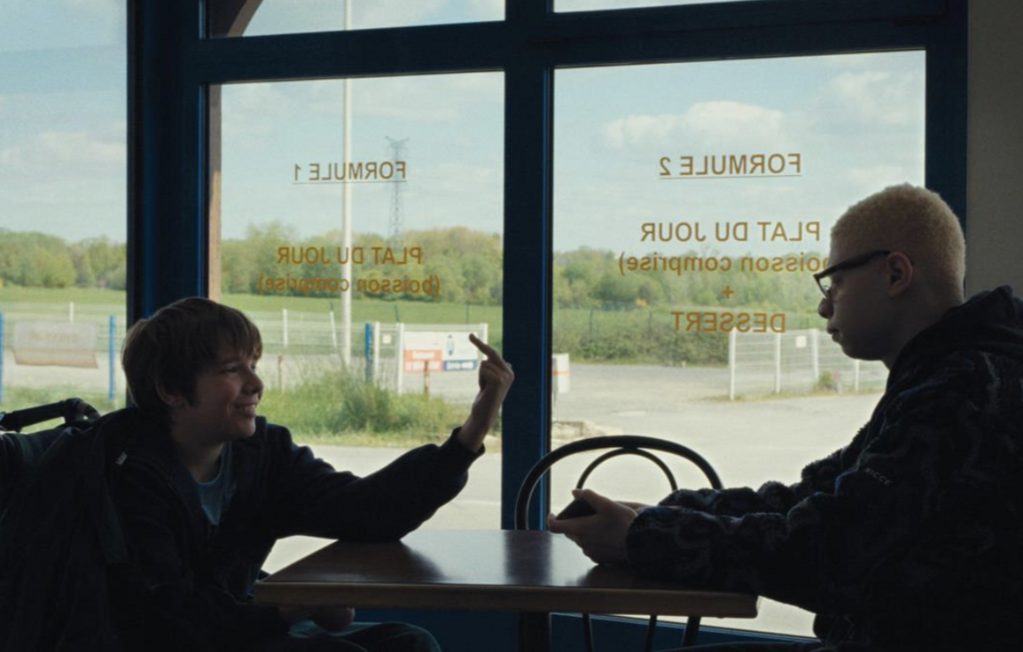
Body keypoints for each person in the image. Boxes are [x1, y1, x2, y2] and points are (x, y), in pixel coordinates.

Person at [548, 184, 1023, 651]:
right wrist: (662, 514)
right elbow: (812, 497)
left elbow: (829, 553)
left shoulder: (962, 394)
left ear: (896, 274)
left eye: (835, 282)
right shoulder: (954, 374)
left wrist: (642, 537)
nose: (824, 305)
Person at [105, 297, 513, 651]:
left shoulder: (262, 455)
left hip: (239, 627)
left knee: (409, 643)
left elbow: (370, 511)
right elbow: (170, 619)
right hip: (178, 642)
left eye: (253, 365)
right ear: (171, 390)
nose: (256, 383)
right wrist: (289, 608)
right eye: (232, 370)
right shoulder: (130, 476)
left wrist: (474, 428)